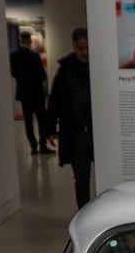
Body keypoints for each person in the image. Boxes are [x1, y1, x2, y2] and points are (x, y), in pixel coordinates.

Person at [46, 27, 94, 210]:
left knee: (107, 176)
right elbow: (54, 100)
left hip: (98, 132)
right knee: (81, 178)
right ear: (73, 46)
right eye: (80, 48)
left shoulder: (99, 64)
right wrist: (50, 129)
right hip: (76, 133)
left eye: (87, 48)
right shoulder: (65, 70)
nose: (84, 52)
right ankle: (84, 216)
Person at [9, 29, 52, 155]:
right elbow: (41, 75)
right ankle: (43, 145)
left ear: (21, 40)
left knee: (28, 121)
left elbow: (13, 73)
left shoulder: (13, 56)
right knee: (41, 119)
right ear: (29, 40)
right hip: (36, 93)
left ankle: (33, 147)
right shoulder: (34, 56)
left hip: (23, 93)